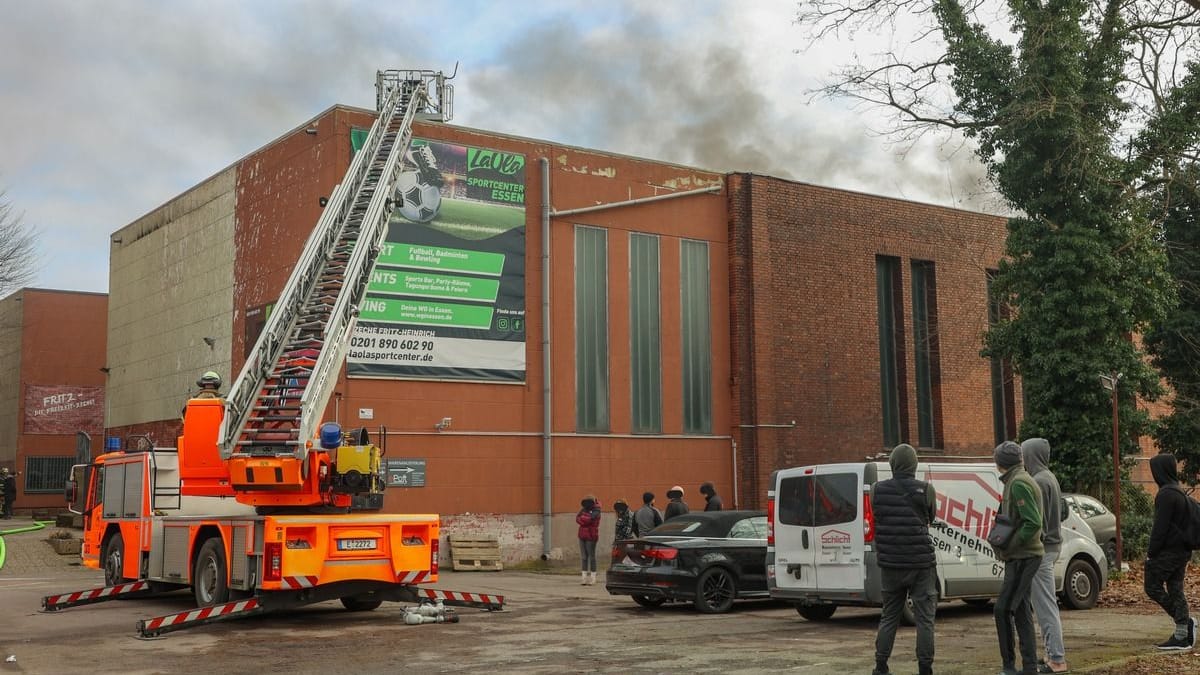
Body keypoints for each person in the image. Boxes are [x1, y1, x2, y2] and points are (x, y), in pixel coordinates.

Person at [870, 443, 937, 675]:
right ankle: (925, 668)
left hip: (890, 563)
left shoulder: (876, 490)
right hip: (920, 563)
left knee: (889, 616)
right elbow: (931, 517)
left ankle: (880, 666)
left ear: (892, 464)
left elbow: (877, 516)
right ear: (914, 464)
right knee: (925, 619)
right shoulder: (926, 489)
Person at [992, 441, 1045, 675]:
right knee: (1021, 609)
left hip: (1024, 556)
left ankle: (1009, 667)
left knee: (1003, 609)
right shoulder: (1016, 480)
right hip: (1022, 555)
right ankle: (1029, 666)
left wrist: (1011, 544)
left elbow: (1033, 522)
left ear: (1000, 462)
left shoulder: (1018, 483)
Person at [1020, 438, 1069, 673]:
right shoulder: (1050, 478)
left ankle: (1057, 659)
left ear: (1032, 455)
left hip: (1042, 549)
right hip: (1052, 545)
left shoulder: (1038, 481)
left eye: (1024, 454)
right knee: (1044, 604)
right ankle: (1052, 653)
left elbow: (1034, 520)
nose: (1022, 459)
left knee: (1045, 605)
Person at [1144, 451, 1195, 650]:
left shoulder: (1165, 494)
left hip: (1168, 552)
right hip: (1182, 551)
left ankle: (1185, 622)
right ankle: (1182, 636)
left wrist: (1151, 553)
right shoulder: (1178, 491)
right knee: (1175, 589)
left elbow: (1160, 528)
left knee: (1152, 586)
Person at [576, 495, 601, 585]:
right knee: (584, 557)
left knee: (591, 556)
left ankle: (593, 578)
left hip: (591, 535)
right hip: (582, 535)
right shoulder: (584, 509)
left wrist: (583, 518)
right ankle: (584, 578)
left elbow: (590, 520)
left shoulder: (597, 510)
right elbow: (577, 518)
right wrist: (584, 518)